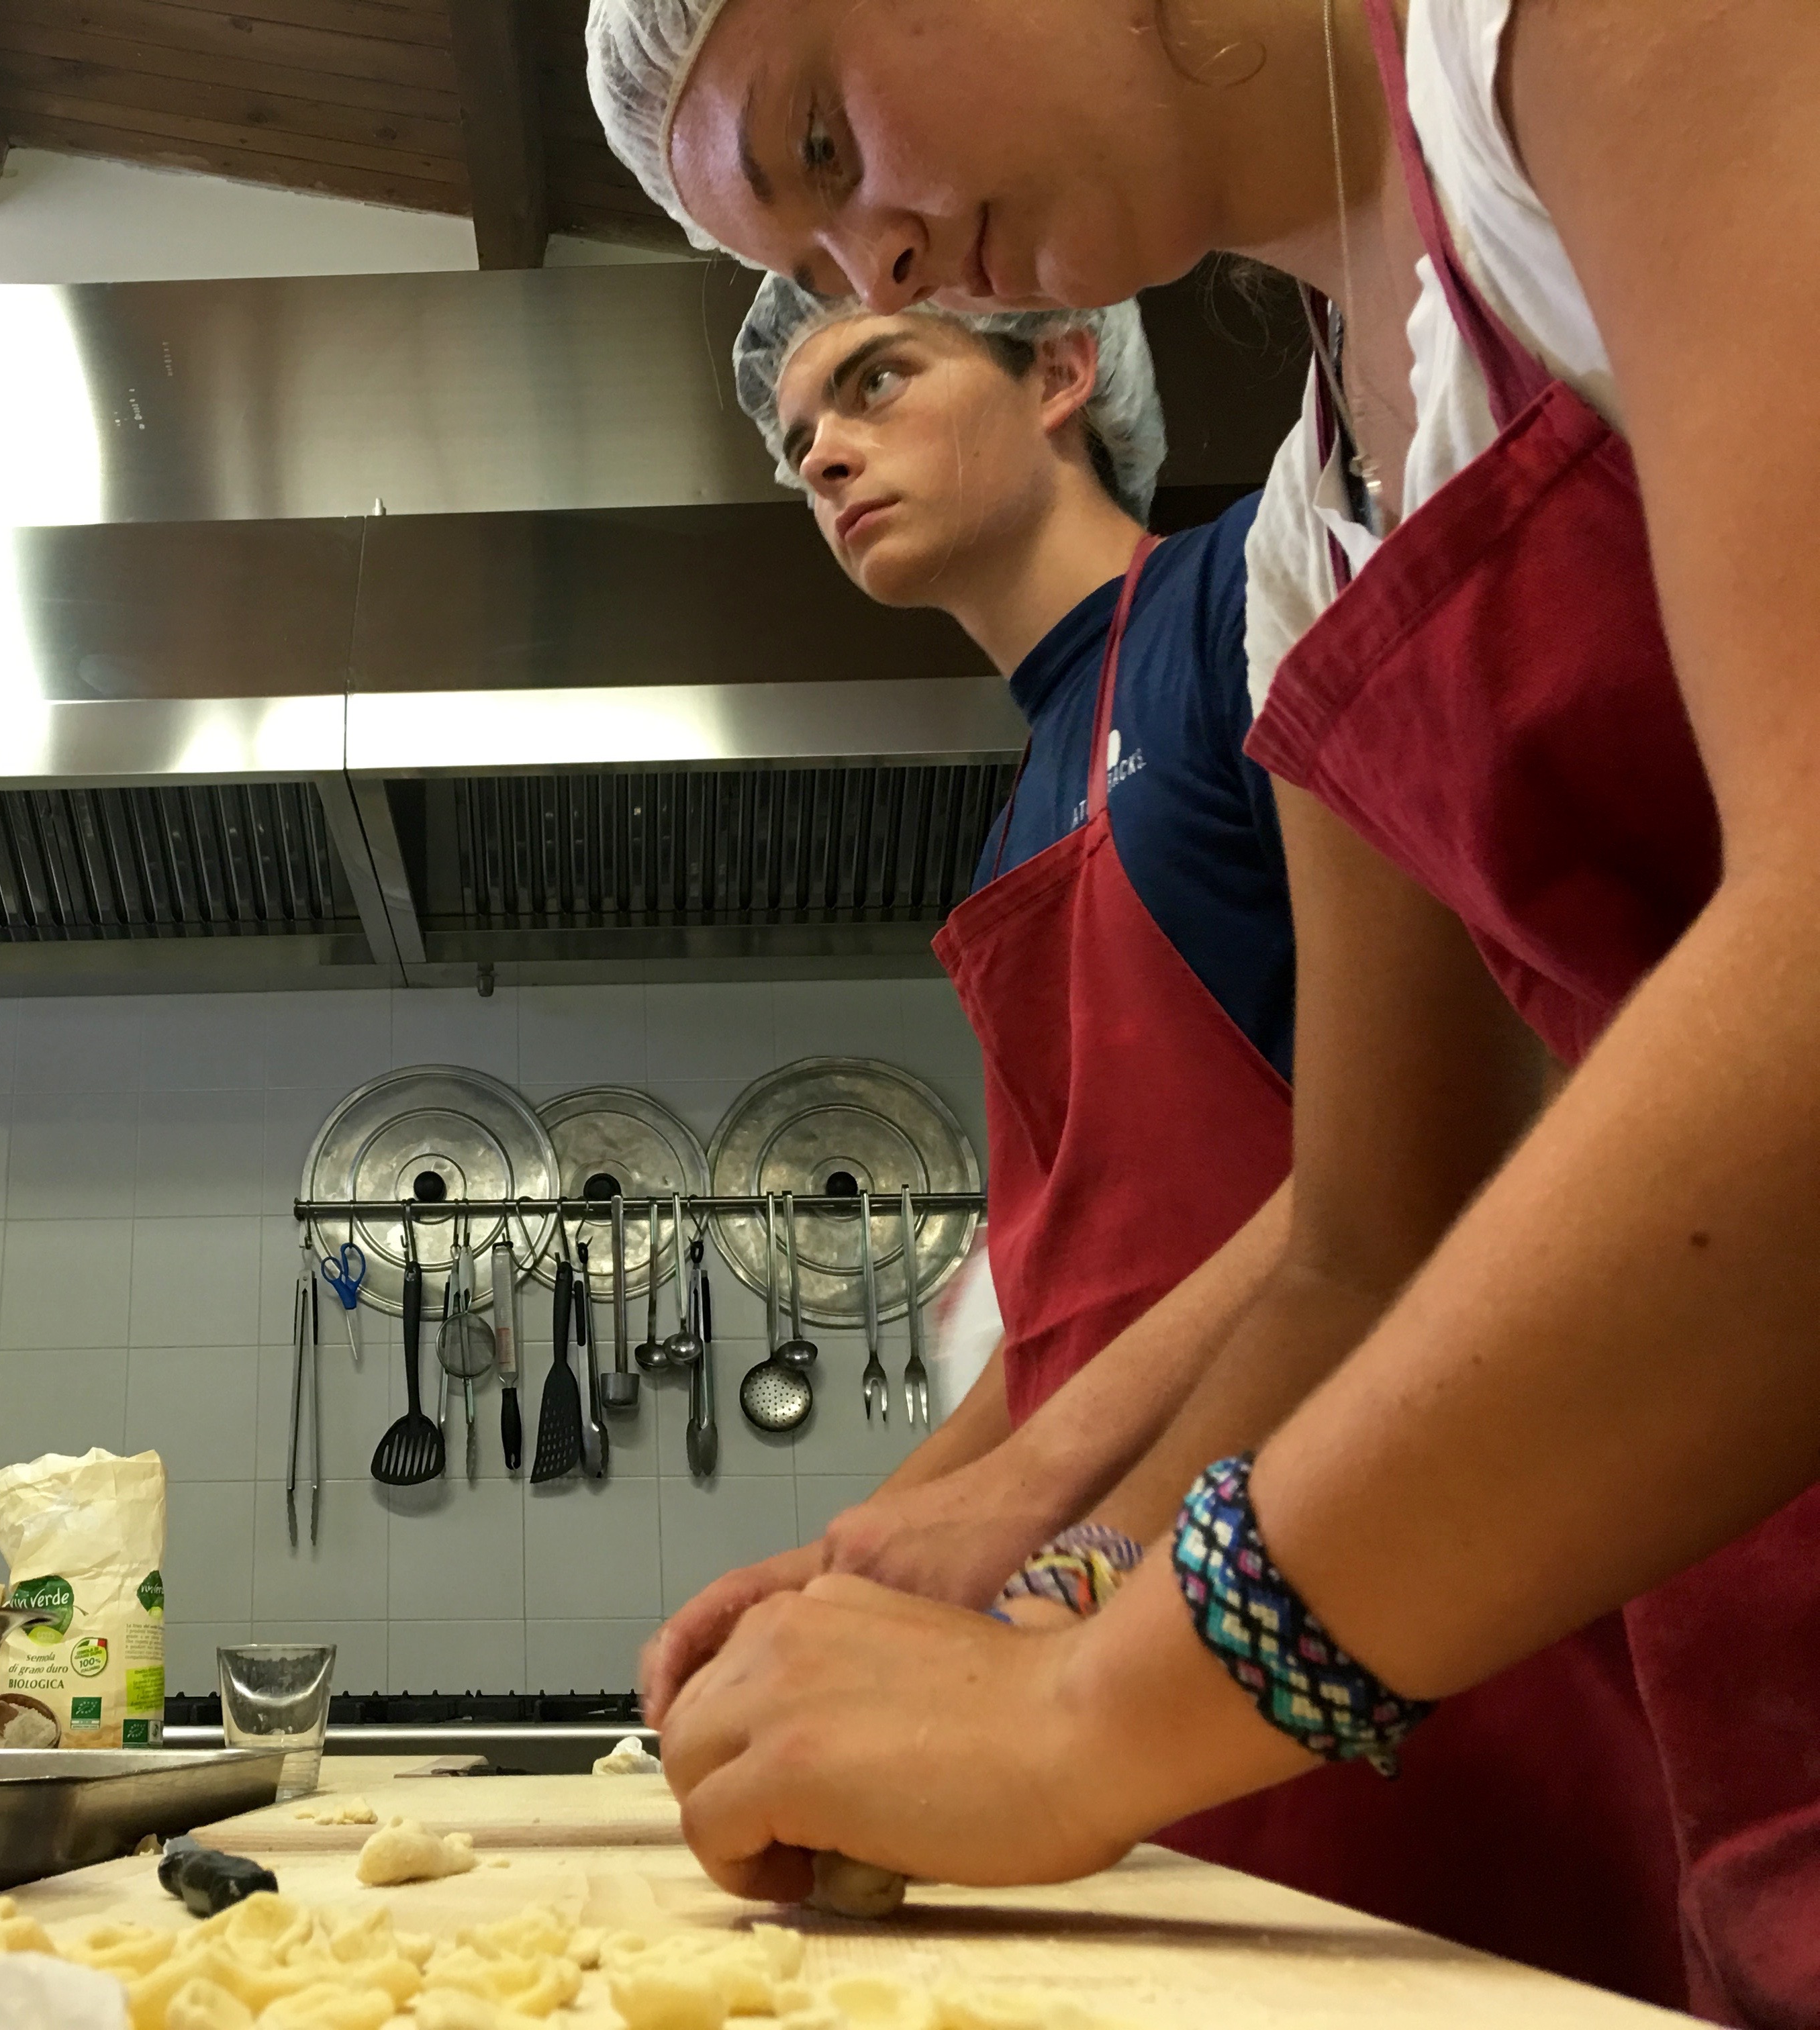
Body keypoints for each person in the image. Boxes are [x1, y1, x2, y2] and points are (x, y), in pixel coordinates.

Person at [586, 1, 1820, 2022]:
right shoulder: (1309, 536)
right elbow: (1356, 1249)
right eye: (802, 272)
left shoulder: (1584, 44)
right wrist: (1040, 1580)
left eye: (821, 141)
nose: (872, 262)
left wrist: (1078, 1709)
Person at [684, 273, 1680, 2002]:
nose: (827, 452)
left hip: (1387, 1606)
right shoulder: (1021, 803)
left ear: (1063, 366)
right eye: (800, 441)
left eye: (876, 379)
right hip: (1135, 1623)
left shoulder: (1248, 608)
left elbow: (1394, 1192)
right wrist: (854, 1557)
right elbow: (1076, 1294)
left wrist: (1046, 1543)